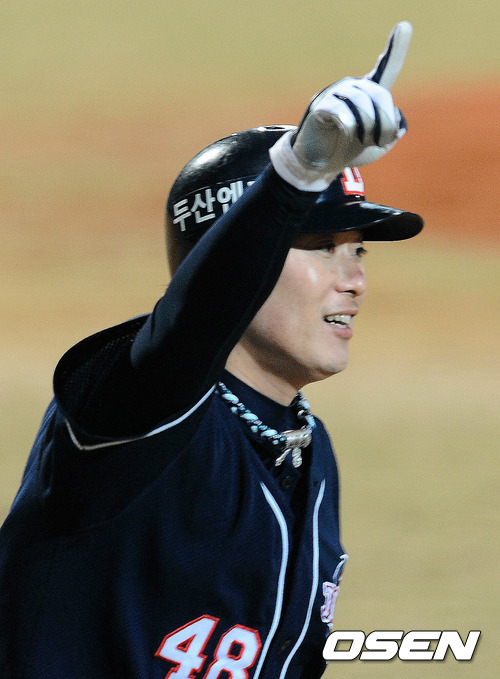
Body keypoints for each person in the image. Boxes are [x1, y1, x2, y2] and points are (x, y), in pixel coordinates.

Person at [0, 22, 423, 679]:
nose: (355, 279)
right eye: (320, 247)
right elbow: (189, 329)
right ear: (228, 253)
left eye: (358, 249)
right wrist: (291, 179)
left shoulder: (309, 450)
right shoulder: (135, 413)